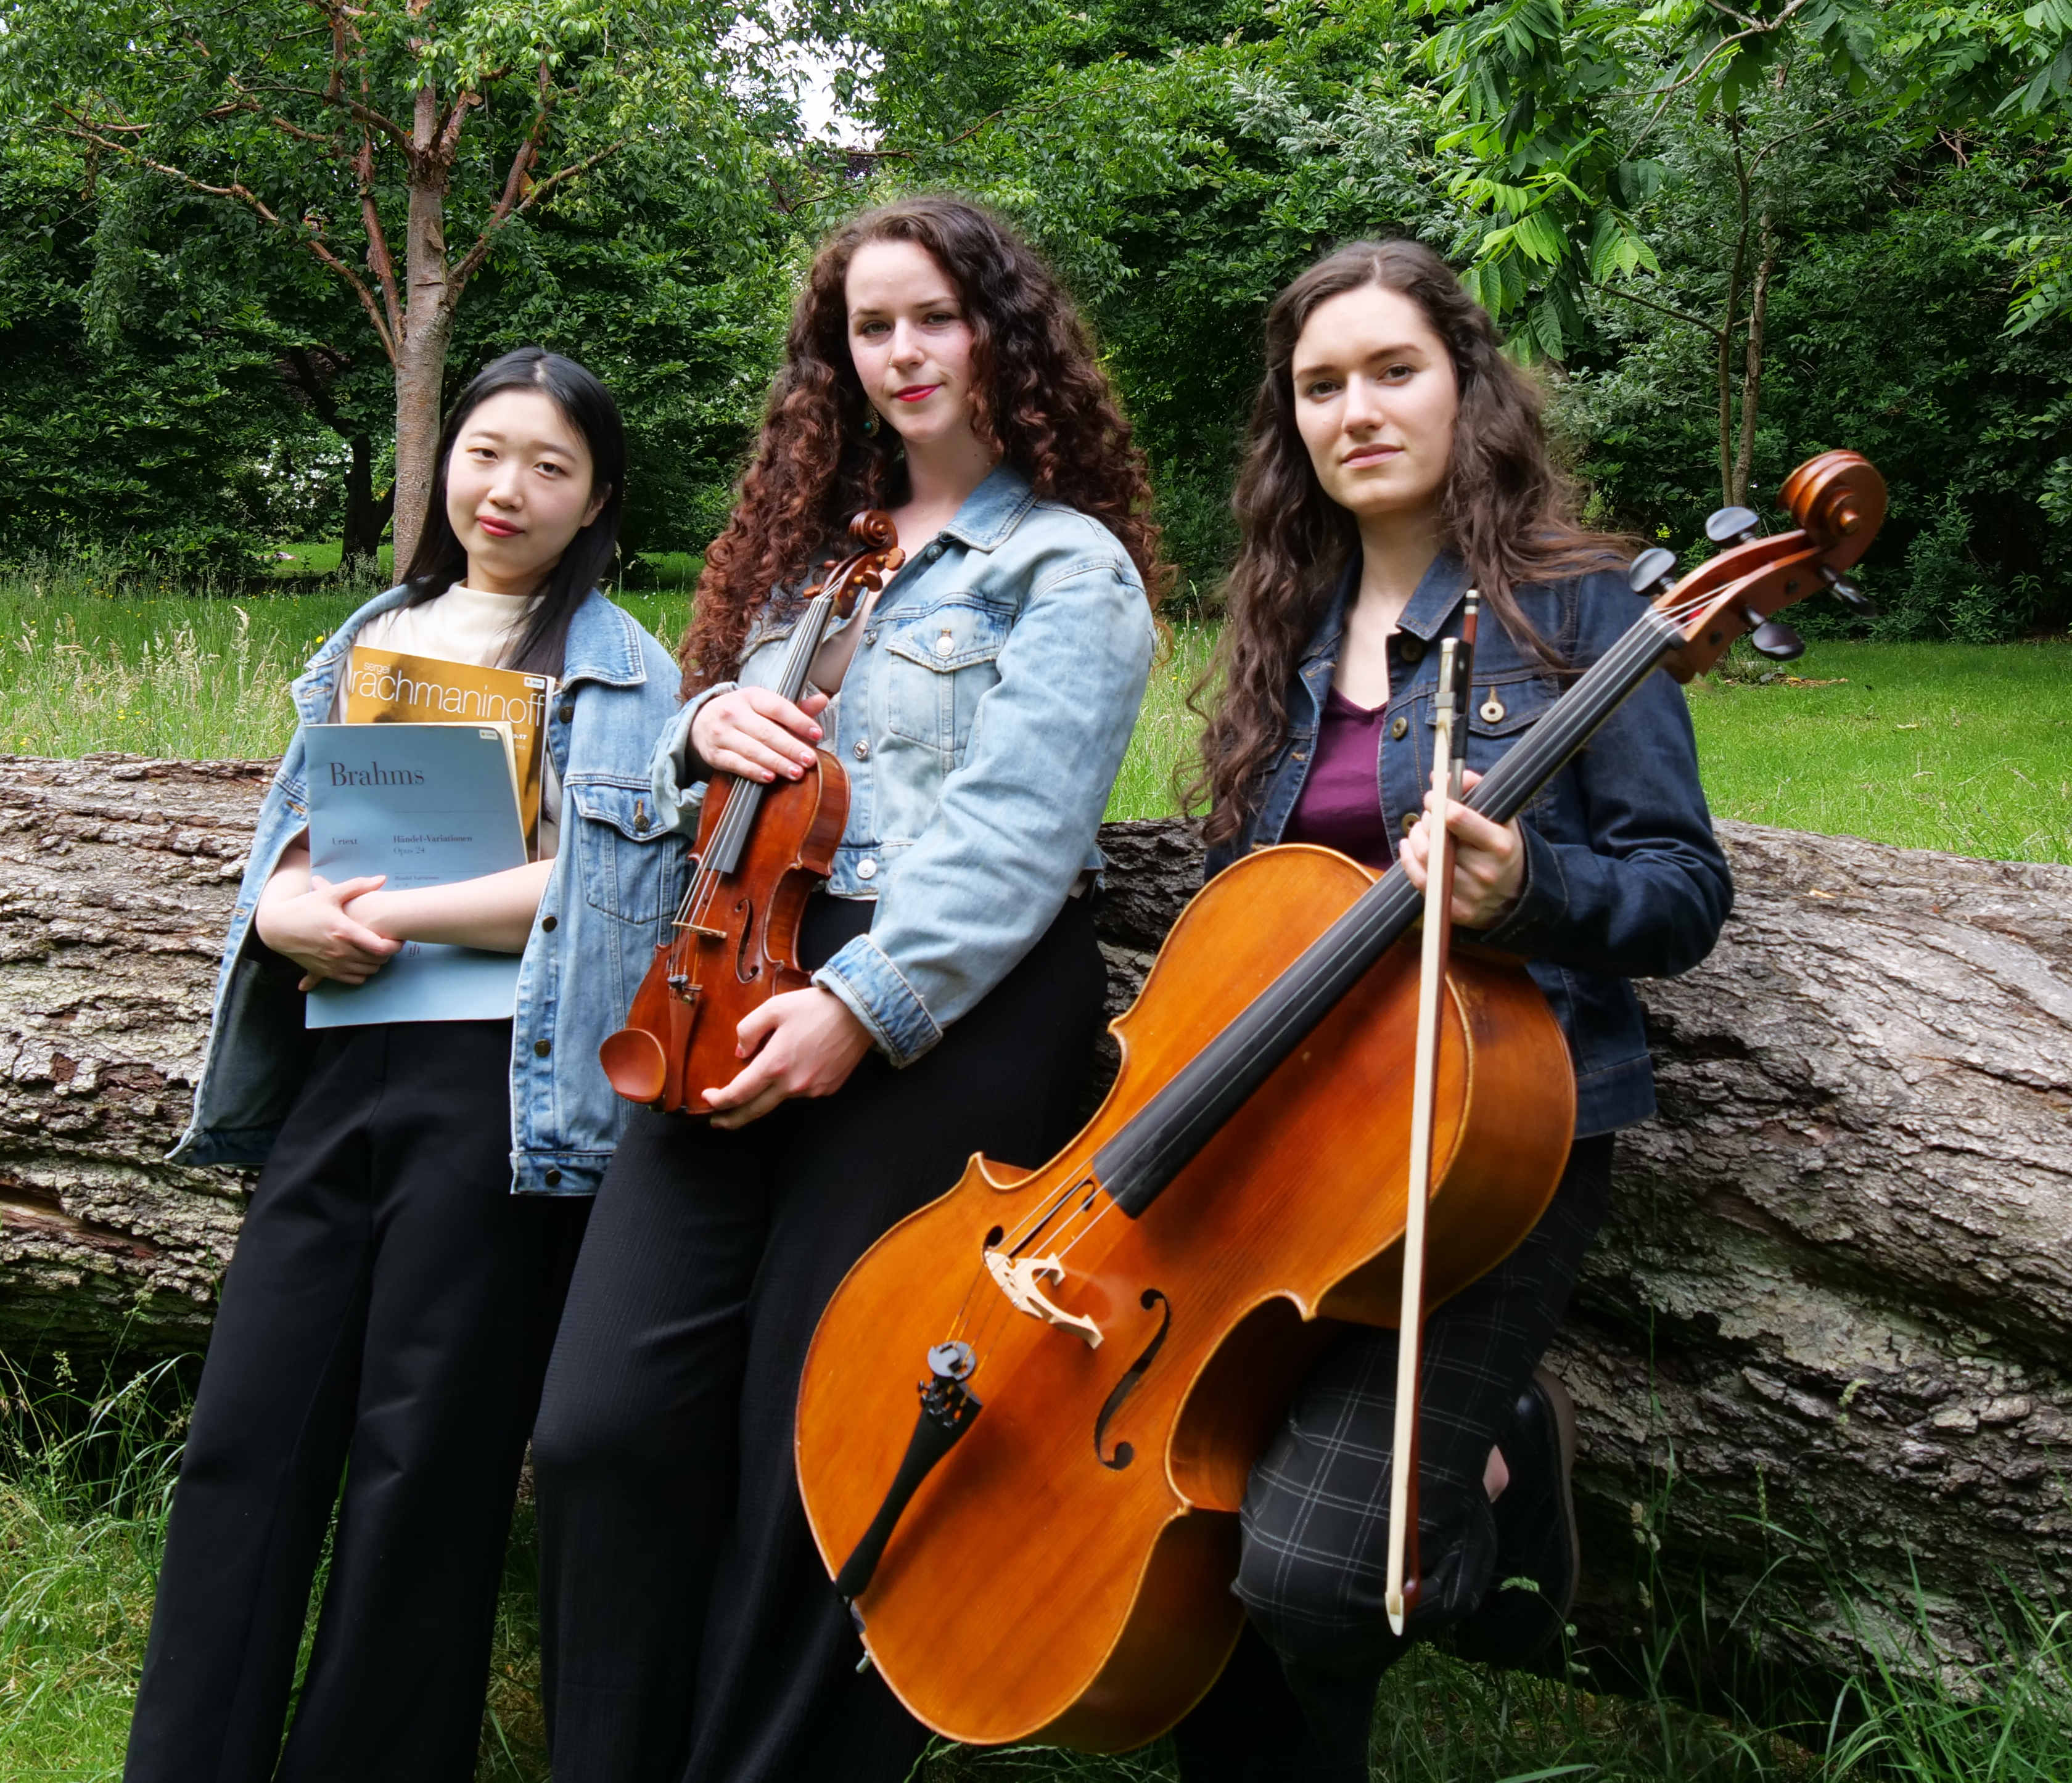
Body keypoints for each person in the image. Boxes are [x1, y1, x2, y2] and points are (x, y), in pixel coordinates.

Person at [530, 195, 1164, 1783]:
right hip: (737, 978)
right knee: (601, 1424)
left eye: (935, 317)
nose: (903, 353)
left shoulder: (1064, 570)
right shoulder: (817, 565)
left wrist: (860, 1007)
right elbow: (717, 789)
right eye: (872, 328)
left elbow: (1019, 836)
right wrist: (697, 737)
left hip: (946, 1015)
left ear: (999, 335)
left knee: (823, 1442)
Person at [1170, 240, 1733, 1782]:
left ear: (1467, 387)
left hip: (1493, 1143)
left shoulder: (1578, 607)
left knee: (1314, 1570)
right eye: (1320, 385)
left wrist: (1528, 887)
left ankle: (1486, 1483)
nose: (1356, 410)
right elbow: (1255, 893)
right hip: (1288, 1134)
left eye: (1393, 370)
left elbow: (1681, 891)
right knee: (1204, 1491)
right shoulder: (1288, 624)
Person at [131, 349, 686, 1783]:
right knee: (246, 1438)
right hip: (331, 1073)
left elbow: (601, 898)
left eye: (550, 467)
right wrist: (279, 912)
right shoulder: (376, 633)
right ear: (445, 464)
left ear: (597, 500)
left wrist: (396, 914)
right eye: (487, 452)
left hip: (494, 1092)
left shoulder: (624, 670)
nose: (508, 489)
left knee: (421, 1464)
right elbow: (294, 850)